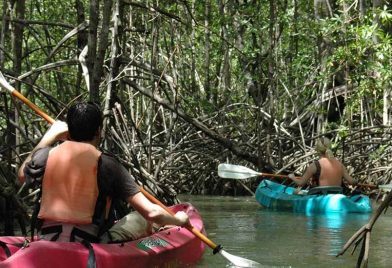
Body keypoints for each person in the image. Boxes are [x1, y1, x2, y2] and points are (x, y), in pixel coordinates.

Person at [18, 101, 189, 243]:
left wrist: (49, 136)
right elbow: (152, 212)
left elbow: (21, 175)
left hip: (48, 239)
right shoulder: (107, 164)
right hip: (91, 243)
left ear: (68, 131)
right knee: (142, 218)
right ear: (99, 131)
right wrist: (179, 220)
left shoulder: (47, 155)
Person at [288, 137, 357, 193]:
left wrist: (292, 177)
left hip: (320, 197)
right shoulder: (340, 165)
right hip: (337, 196)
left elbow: (300, 183)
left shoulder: (314, 166)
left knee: (295, 192)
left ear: (317, 149)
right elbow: (352, 181)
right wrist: (356, 181)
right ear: (330, 147)